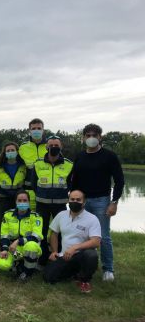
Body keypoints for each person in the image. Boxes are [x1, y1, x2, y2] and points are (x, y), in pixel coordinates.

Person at [70, 124, 124, 282]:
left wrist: (114, 202)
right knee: (81, 235)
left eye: (94, 135)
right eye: (87, 135)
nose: (91, 138)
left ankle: (108, 269)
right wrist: (73, 198)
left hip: (102, 201)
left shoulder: (109, 156)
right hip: (82, 201)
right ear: (83, 138)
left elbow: (119, 181)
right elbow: (74, 178)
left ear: (100, 137)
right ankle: (82, 266)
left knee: (104, 236)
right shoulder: (80, 156)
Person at [43, 190, 101, 293]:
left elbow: (96, 242)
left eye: (78, 200)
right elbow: (54, 234)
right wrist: (54, 251)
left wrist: (75, 248)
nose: (75, 201)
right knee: (48, 277)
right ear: (68, 201)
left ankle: (84, 280)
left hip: (81, 255)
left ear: (84, 202)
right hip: (64, 255)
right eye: (72, 199)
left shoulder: (92, 219)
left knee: (91, 255)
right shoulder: (61, 215)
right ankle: (74, 273)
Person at [33, 136, 73, 266]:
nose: (54, 147)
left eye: (57, 145)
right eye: (51, 145)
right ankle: (43, 259)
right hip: (42, 204)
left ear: (61, 147)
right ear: (46, 147)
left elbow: (71, 184)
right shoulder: (38, 163)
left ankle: (59, 258)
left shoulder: (69, 164)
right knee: (41, 232)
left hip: (60, 204)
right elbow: (34, 183)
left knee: (60, 232)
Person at [0, 191, 43, 281]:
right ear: (16, 202)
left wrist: (18, 241)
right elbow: (4, 235)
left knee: (31, 246)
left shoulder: (36, 217)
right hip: (12, 249)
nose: (22, 203)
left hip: (28, 247)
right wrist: (5, 249)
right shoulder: (7, 215)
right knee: (2, 264)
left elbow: (36, 237)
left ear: (29, 202)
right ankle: (18, 265)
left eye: (25, 200)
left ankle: (27, 272)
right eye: (19, 200)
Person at [0, 142, 27, 226]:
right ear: (4, 153)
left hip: (19, 200)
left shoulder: (23, 166)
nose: (10, 152)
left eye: (12, 150)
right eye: (8, 150)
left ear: (17, 151)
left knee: (20, 224)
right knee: (4, 223)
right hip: (4, 200)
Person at [18, 118, 48, 211]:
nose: (36, 131)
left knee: (46, 221)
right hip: (28, 191)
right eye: (34, 128)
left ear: (43, 130)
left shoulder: (50, 146)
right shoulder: (23, 147)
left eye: (39, 128)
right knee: (29, 220)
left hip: (47, 190)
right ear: (29, 131)